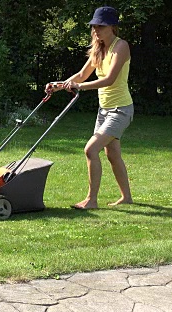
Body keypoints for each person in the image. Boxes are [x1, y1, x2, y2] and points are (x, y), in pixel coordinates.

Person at [46, 6, 134, 210]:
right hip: (104, 110)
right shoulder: (99, 49)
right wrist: (58, 85)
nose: (96, 30)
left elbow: (110, 79)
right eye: (94, 26)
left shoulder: (121, 47)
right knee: (112, 154)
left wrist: (79, 87)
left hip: (120, 109)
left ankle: (91, 200)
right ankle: (127, 197)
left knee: (90, 149)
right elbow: (82, 75)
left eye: (100, 26)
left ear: (112, 26)